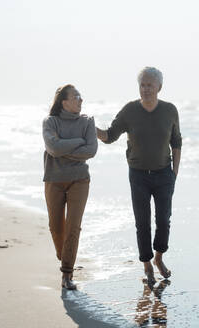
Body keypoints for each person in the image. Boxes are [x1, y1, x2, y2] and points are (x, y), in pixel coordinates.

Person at [96, 67, 182, 285]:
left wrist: (174, 174)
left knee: (163, 220)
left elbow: (177, 142)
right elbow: (109, 136)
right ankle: (146, 264)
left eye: (150, 85)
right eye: (142, 85)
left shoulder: (170, 110)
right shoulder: (130, 111)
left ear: (159, 87)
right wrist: (90, 127)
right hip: (138, 175)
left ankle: (158, 258)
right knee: (141, 222)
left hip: (164, 174)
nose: (145, 89)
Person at [42, 84, 98, 290]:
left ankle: (67, 274)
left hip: (79, 180)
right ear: (64, 102)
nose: (81, 100)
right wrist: (78, 142)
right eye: (76, 97)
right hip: (54, 180)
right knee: (56, 227)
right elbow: (53, 148)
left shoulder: (88, 121)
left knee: (73, 226)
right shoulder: (50, 122)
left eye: (81, 96)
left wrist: (63, 148)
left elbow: (91, 150)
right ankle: (64, 254)